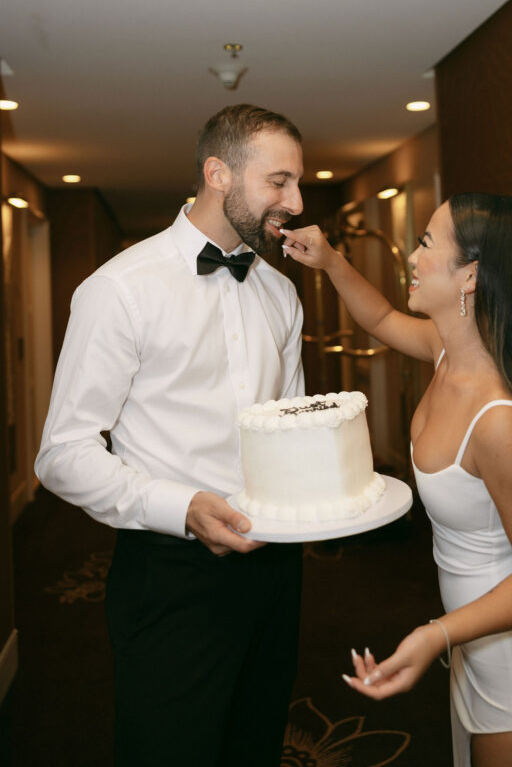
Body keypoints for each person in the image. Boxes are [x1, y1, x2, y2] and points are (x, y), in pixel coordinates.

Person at [281, 193, 512, 767]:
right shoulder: (447, 352)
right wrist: (330, 261)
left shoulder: (500, 423)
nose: (412, 258)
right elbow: (384, 318)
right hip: (475, 649)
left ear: (470, 276)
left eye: (424, 243)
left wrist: (435, 635)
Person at [36, 103, 306, 767]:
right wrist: (180, 507)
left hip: (277, 564)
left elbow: (289, 425)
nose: (295, 201)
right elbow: (62, 454)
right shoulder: (121, 290)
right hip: (170, 572)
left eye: (297, 182)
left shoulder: (281, 293)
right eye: (278, 181)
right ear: (217, 172)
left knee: (255, 741)